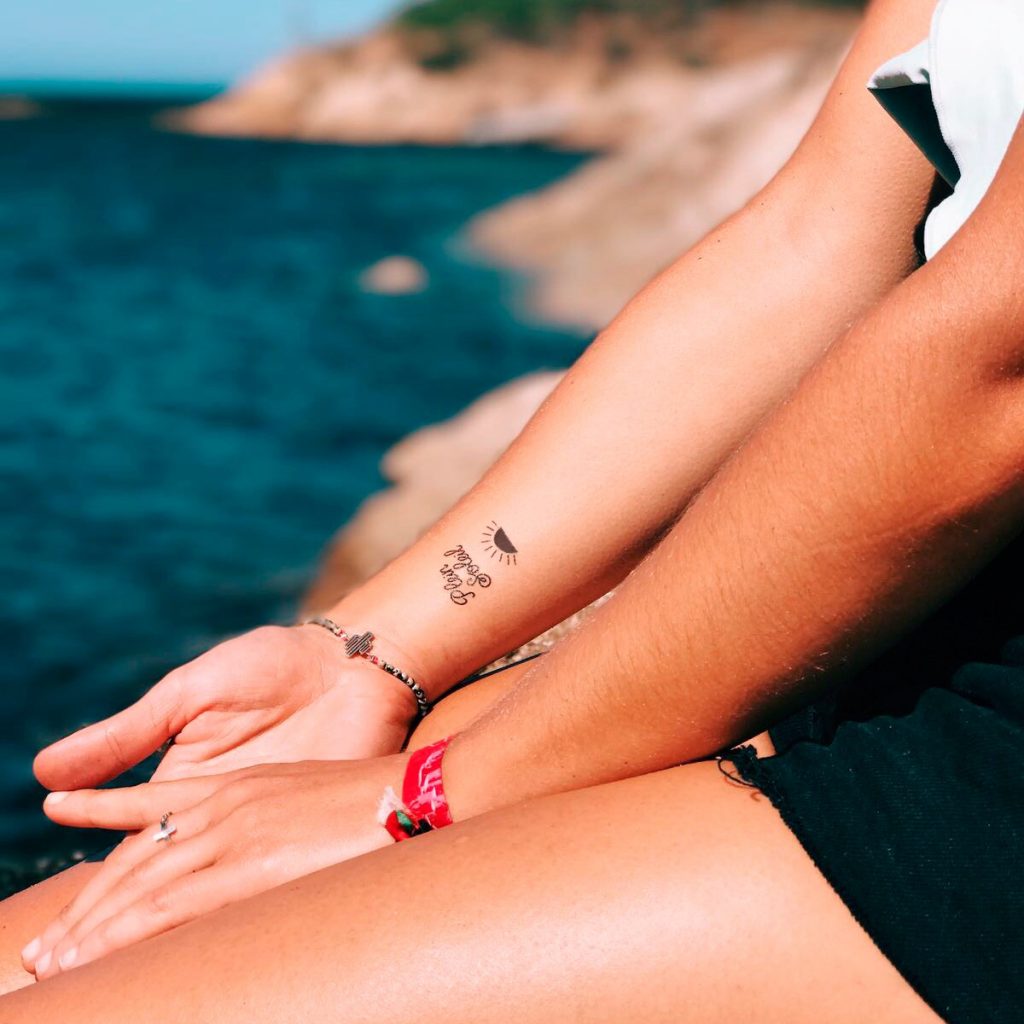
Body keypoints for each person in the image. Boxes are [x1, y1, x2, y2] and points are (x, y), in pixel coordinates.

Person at [1, 0, 1021, 1019]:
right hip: (898, 654)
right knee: (36, 955)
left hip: (984, 781)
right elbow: (818, 236)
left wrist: (432, 794)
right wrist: (363, 649)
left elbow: (996, 360)